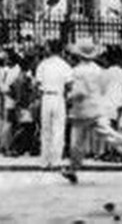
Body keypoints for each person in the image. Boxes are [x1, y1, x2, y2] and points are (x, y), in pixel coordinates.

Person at [62, 39, 122, 184]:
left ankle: (73, 169)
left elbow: (79, 91)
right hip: (96, 107)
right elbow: (102, 88)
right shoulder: (99, 70)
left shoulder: (76, 71)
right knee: (106, 132)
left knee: (76, 143)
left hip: (81, 110)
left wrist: (69, 97)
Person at [35, 39, 72, 169]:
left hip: (46, 97)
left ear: (49, 49)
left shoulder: (42, 65)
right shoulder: (65, 65)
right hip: (59, 97)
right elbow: (70, 84)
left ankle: (45, 161)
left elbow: (37, 84)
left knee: (45, 130)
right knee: (58, 130)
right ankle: (56, 161)